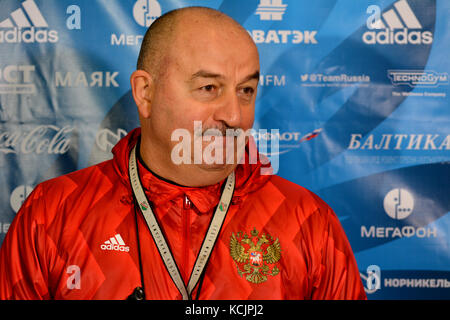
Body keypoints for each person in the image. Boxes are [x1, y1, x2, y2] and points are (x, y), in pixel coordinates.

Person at [0, 7, 366, 300]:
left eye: (245, 91)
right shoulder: (51, 214)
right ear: (145, 92)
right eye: (209, 87)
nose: (234, 116)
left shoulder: (308, 221)